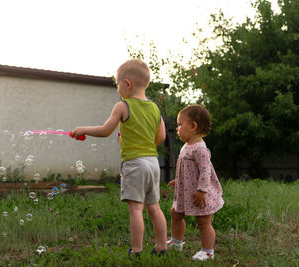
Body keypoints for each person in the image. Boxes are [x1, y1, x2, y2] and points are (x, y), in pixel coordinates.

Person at [72, 59, 168, 256]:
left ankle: (137, 250)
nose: (117, 89)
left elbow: (106, 130)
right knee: (155, 208)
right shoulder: (154, 108)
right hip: (152, 162)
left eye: (117, 84)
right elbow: (161, 137)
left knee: (136, 209)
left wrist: (83, 129)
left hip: (135, 163)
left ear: (128, 84)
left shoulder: (122, 106)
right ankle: (161, 247)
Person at [167, 104, 224, 261]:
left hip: (201, 193)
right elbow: (190, 171)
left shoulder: (200, 149)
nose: (177, 129)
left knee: (203, 222)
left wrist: (202, 191)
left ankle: (207, 251)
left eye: (180, 124)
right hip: (186, 192)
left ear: (192, 126)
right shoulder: (187, 146)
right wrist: (179, 180)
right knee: (176, 214)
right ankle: (177, 242)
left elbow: (205, 172)